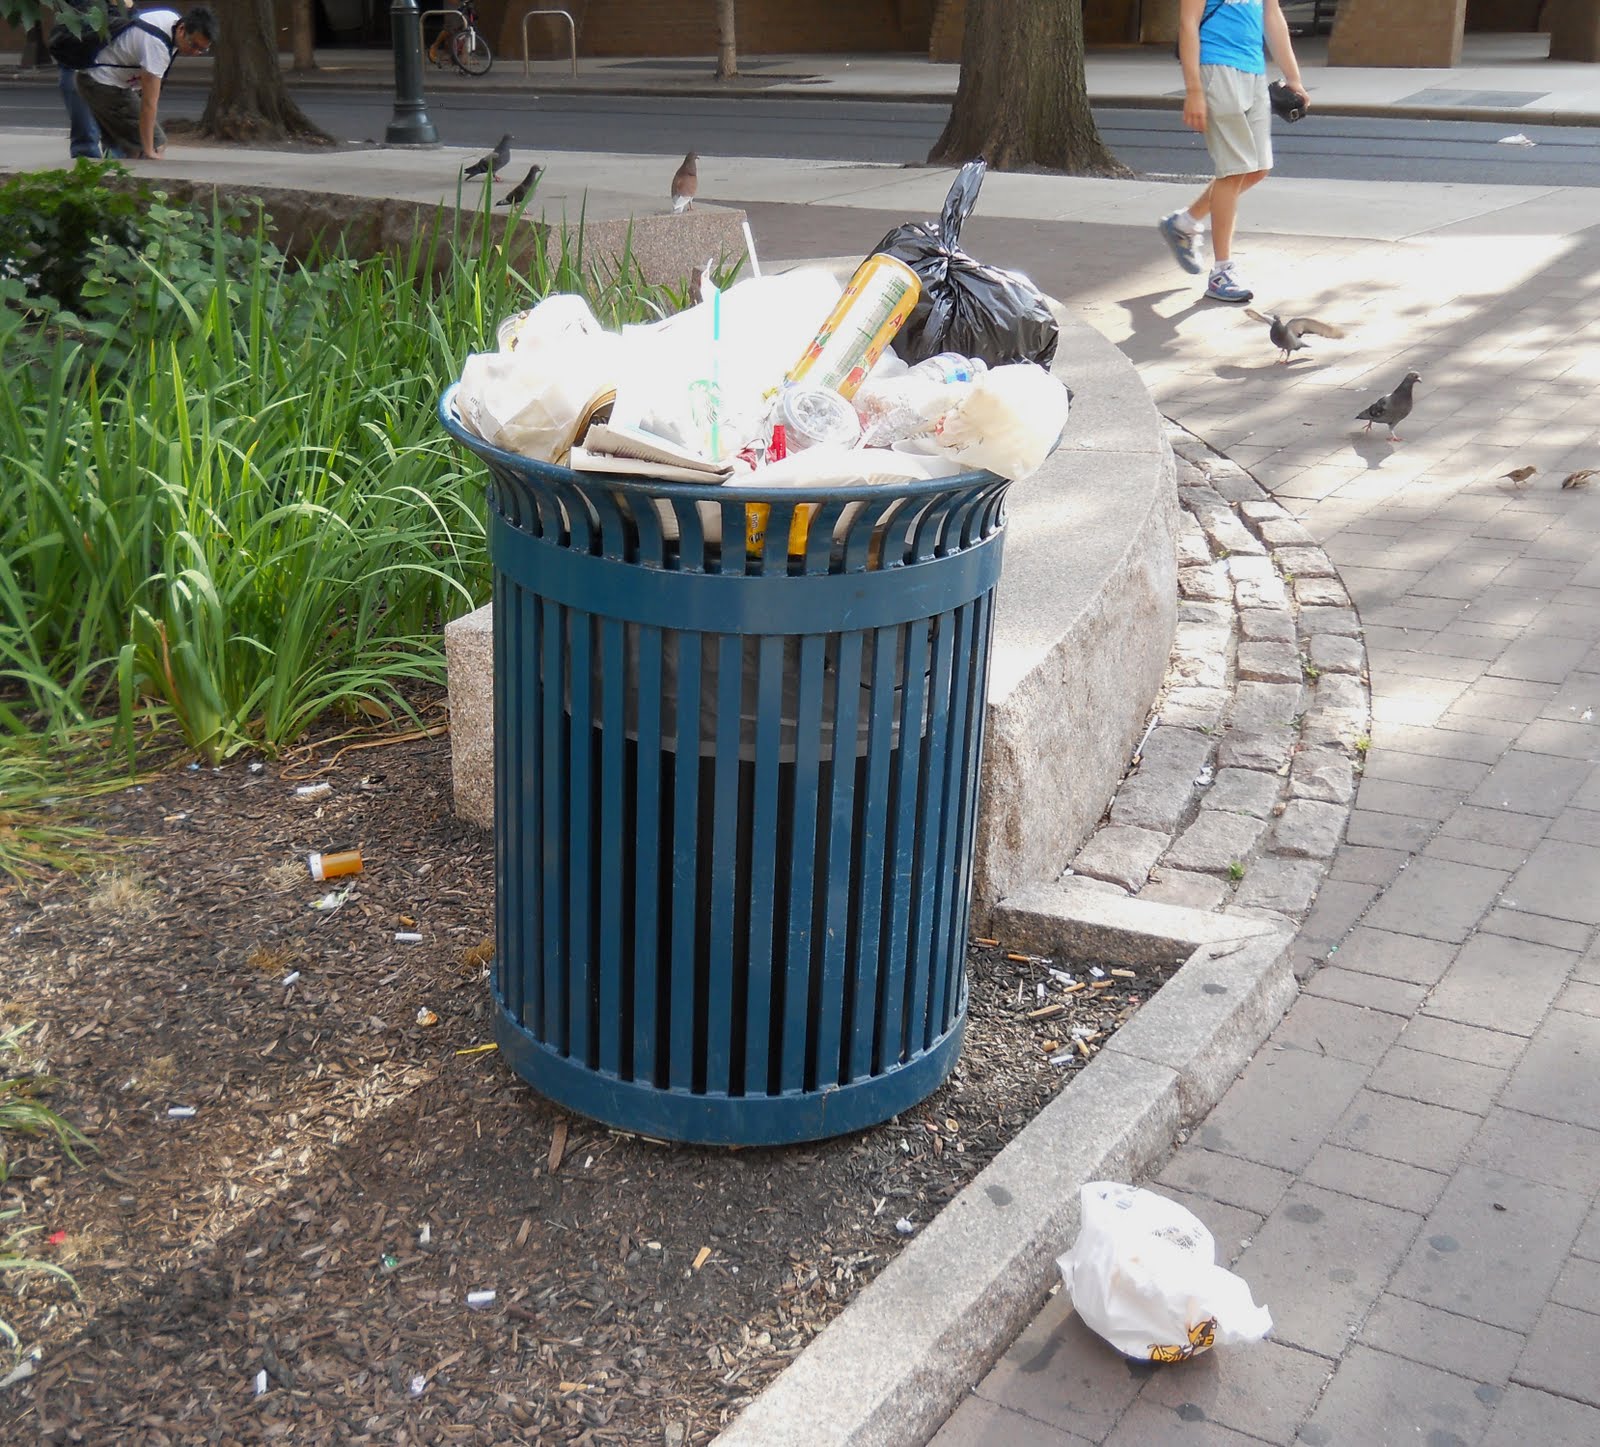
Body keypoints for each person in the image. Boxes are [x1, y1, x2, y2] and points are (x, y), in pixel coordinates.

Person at [1156, 0, 1308, 305]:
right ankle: (1222, 271)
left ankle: (1185, 223)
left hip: (1254, 72)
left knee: (1258, 167)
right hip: (1216, 69)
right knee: (1233, 171)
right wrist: (1194, 91)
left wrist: (1293, 78)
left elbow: (1272, 14)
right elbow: (1188, 23)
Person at [74, 5, 216, 162]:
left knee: (123, 144)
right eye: (193, 45)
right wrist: (149, 150)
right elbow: (148, 103)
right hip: (102, 83)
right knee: (155, 143)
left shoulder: (170, 19)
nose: (195, 52)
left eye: (203, 49)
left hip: (100, 79)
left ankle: (114, 169)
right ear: (182, 29)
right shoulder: (157, 46)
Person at [58, 0, 133, 160]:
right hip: (81, 33)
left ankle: (112, 158)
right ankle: (88, 159)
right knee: (85, 126)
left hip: (112, 31)